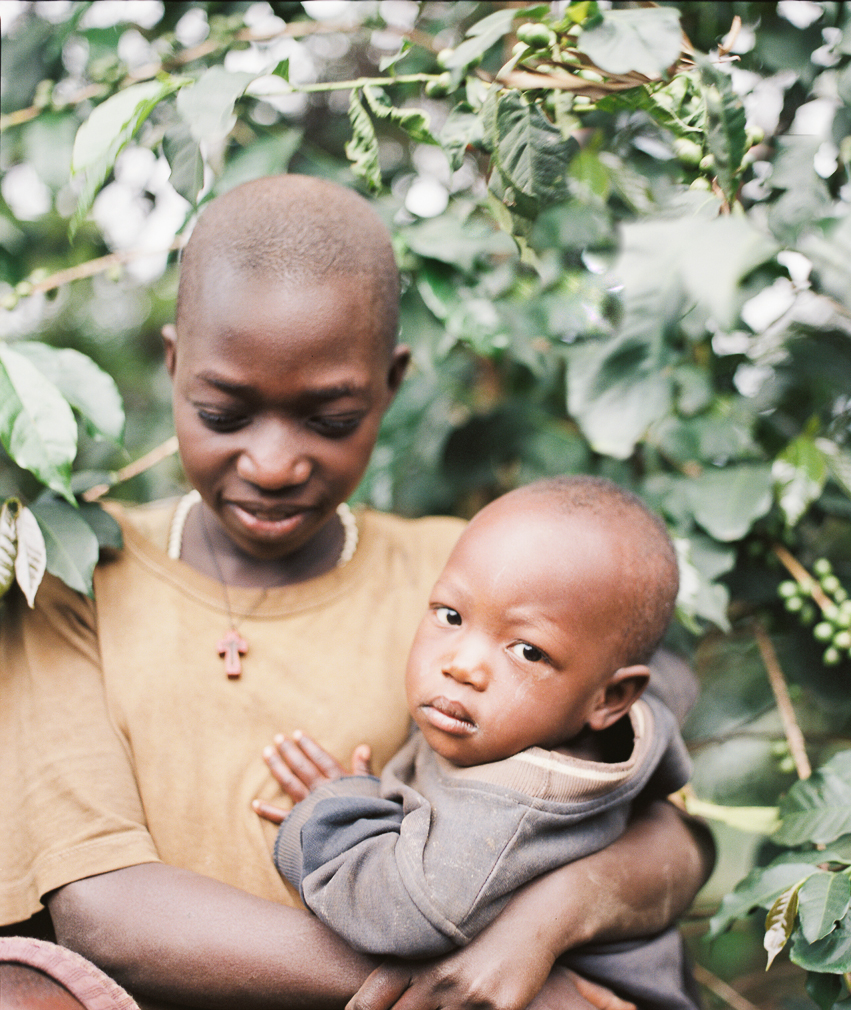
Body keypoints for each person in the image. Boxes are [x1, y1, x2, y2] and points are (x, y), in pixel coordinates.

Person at [0, 174, 713, 1010]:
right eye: (224, 413)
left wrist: (541, 929)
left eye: (330, 420)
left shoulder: (473, 585)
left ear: (391, 383)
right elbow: (105, 913)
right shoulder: (71, 572)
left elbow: (668, 839)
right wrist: (474, 989)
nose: (272, 465)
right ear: (174, 364)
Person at [262, 477, 702, 1010]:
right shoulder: (569, 723)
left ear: (611, 698)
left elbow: (399, 915)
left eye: (527, 651)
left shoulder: (507, 805)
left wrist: (333, 807)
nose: (462, 665)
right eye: (451, 616)